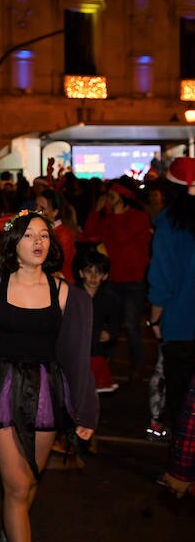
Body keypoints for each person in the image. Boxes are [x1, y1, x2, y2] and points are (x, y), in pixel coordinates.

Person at [0, 210, 98, 542]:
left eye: (43, 235)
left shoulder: (66, 293)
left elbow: (76, 356)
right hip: (2, 388)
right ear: (13, 244)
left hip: (46, 391)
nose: (38, 241)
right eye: (29, 235)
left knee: (29, 483)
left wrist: (86, 412)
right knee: (17, 486)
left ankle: (8, 537)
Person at [83, 178, 152, 377]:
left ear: (123, 198)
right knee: (108, 324)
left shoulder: (138, 217)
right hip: (111, 280)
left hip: (133, 281)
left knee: (131, 325)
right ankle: (106, 362)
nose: (108, 200)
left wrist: (115, 214)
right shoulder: (108, 218)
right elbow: (90, 232)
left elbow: (122, 239)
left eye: (111, 196)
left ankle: (138, 363)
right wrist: (97, 211)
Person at [147, 157, 195, 437]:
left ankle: (182, 467)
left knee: (180, 398)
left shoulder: (168, 226)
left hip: (180, 325)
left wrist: (155, 320)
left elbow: (161, 280)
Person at [74, 248, 120, 393]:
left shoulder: (109, 299)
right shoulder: (72, 296)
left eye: (98, 273)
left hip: (96, 351)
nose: (93, 277)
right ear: (81, 273)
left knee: (92, 391)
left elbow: (116, 321)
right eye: (89, 272)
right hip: (74, 350)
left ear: (105, 276)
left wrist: (110, 333)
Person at [37, 188, 78, 284]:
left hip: (60, 283)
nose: (37, 211)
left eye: (42, 208)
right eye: (36, 206)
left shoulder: (64, 233)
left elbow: (60, 264)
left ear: (55, 212)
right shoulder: (42, 229)